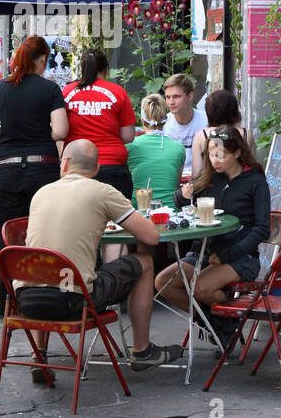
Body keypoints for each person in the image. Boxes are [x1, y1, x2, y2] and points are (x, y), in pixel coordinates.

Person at [19, 140, 183, 374]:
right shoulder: (103, 191)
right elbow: (151, 237)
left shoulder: (41, 193)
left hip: (27, 300)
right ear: (96, 170)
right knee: (145, 262)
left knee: (50, 263)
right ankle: (142, 351)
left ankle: (39, 354)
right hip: (72, 300)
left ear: (64, 164)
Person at [161, 126, 271, 346]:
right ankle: (217, 322)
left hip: (241, 256)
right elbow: (180, 201)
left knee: (200, 287)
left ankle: (221, 322)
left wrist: (228, 254)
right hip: (205, 252)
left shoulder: (255, 181)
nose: (215, 160)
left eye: (221, 154)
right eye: (211, 154)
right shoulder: (211, 176)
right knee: (163, 283)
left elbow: (262, 229)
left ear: (238, 152)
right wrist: (182, 196)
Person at [0, 35, 69, 313]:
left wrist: (9, 133)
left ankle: (2, 295)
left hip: (8, 168)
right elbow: (61, 131)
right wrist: (40, 131)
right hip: (42, 166)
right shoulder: (50, 89)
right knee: (44, 229)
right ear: (43, 59)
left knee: (8, 231)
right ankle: (40, 292)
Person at [62, 49, 136, 200]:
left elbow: (60, 129)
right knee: (117, 220)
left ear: (82, 68)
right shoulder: (117, 92)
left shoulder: (67, 91)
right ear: (106, 69)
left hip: (77, 167)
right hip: (113, 166)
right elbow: (128, 136)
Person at [126, 93, 186, 209]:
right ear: (166, 119)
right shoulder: (179, 148)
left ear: (142, 121)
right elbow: (175, 183)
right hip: (170, 211)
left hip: (138, 211)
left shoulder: (131, 146)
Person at [190, 89, 251, 180]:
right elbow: (250, 167)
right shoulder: (246, 134)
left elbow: (196, 174)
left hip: (211, 188)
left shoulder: (200, 136)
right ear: (234, 111)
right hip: (242, 186)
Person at [161, 73, 207, 176]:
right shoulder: (163, 124)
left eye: (176, 96)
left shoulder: (206, 121)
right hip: (172, 178)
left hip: (201, 179)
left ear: (190, 96)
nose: (171, 102)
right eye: (168, 97)